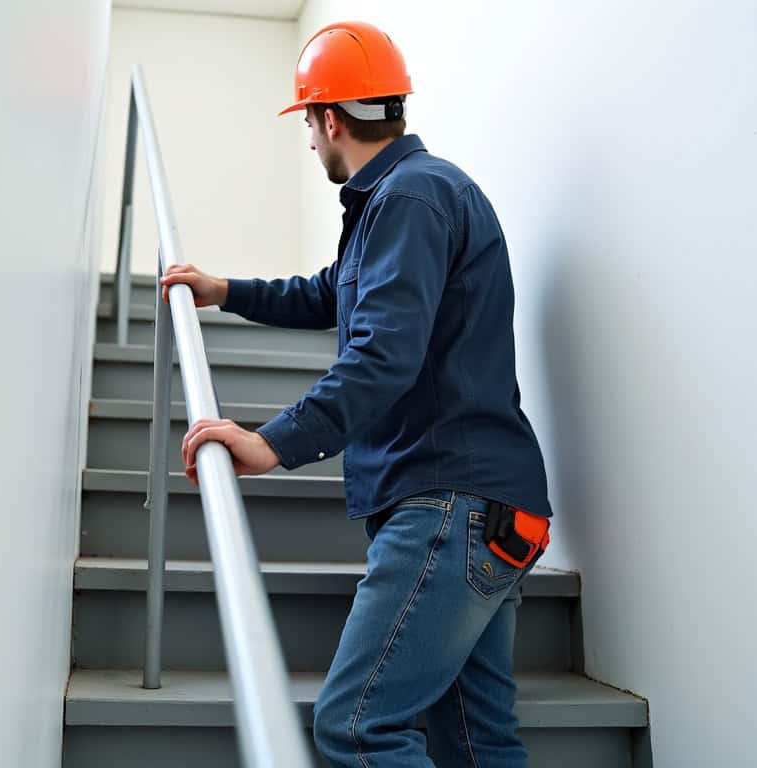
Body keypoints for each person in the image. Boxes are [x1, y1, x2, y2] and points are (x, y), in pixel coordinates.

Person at [161, 20, 554, 768]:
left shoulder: (409, 198)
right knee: (477, 746)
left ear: (331, 118)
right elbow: (331, 292)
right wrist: (227, 291)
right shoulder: (412, 195)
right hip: (489, 508)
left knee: (357, 727)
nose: (311, 142)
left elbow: (382, 356)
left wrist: (273, 441)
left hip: (448, 507)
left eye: (309, 124)